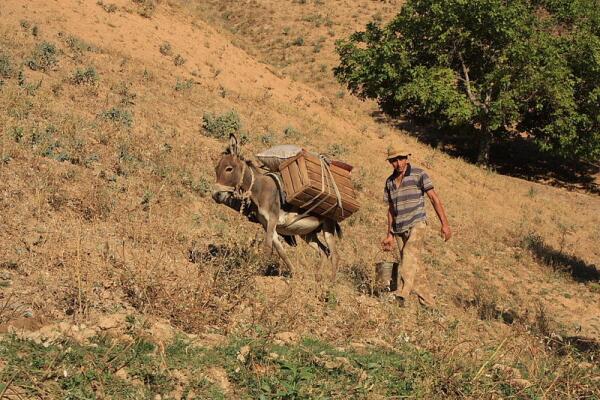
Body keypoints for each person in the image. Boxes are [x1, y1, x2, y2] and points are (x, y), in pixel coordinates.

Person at [381, 145, 451, 307]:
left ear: (407, 158)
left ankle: (403, 292)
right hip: (399, 228)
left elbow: (434, 198)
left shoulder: (419, 174)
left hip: (417, 223)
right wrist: (390, 234)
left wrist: (445, 224)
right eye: (394, 160)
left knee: (408, 253)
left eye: (401, 158)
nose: (398, 163)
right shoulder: (389, 182)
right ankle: (429, 305)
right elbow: (390, 210)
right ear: (390, 162)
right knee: (414, 266)